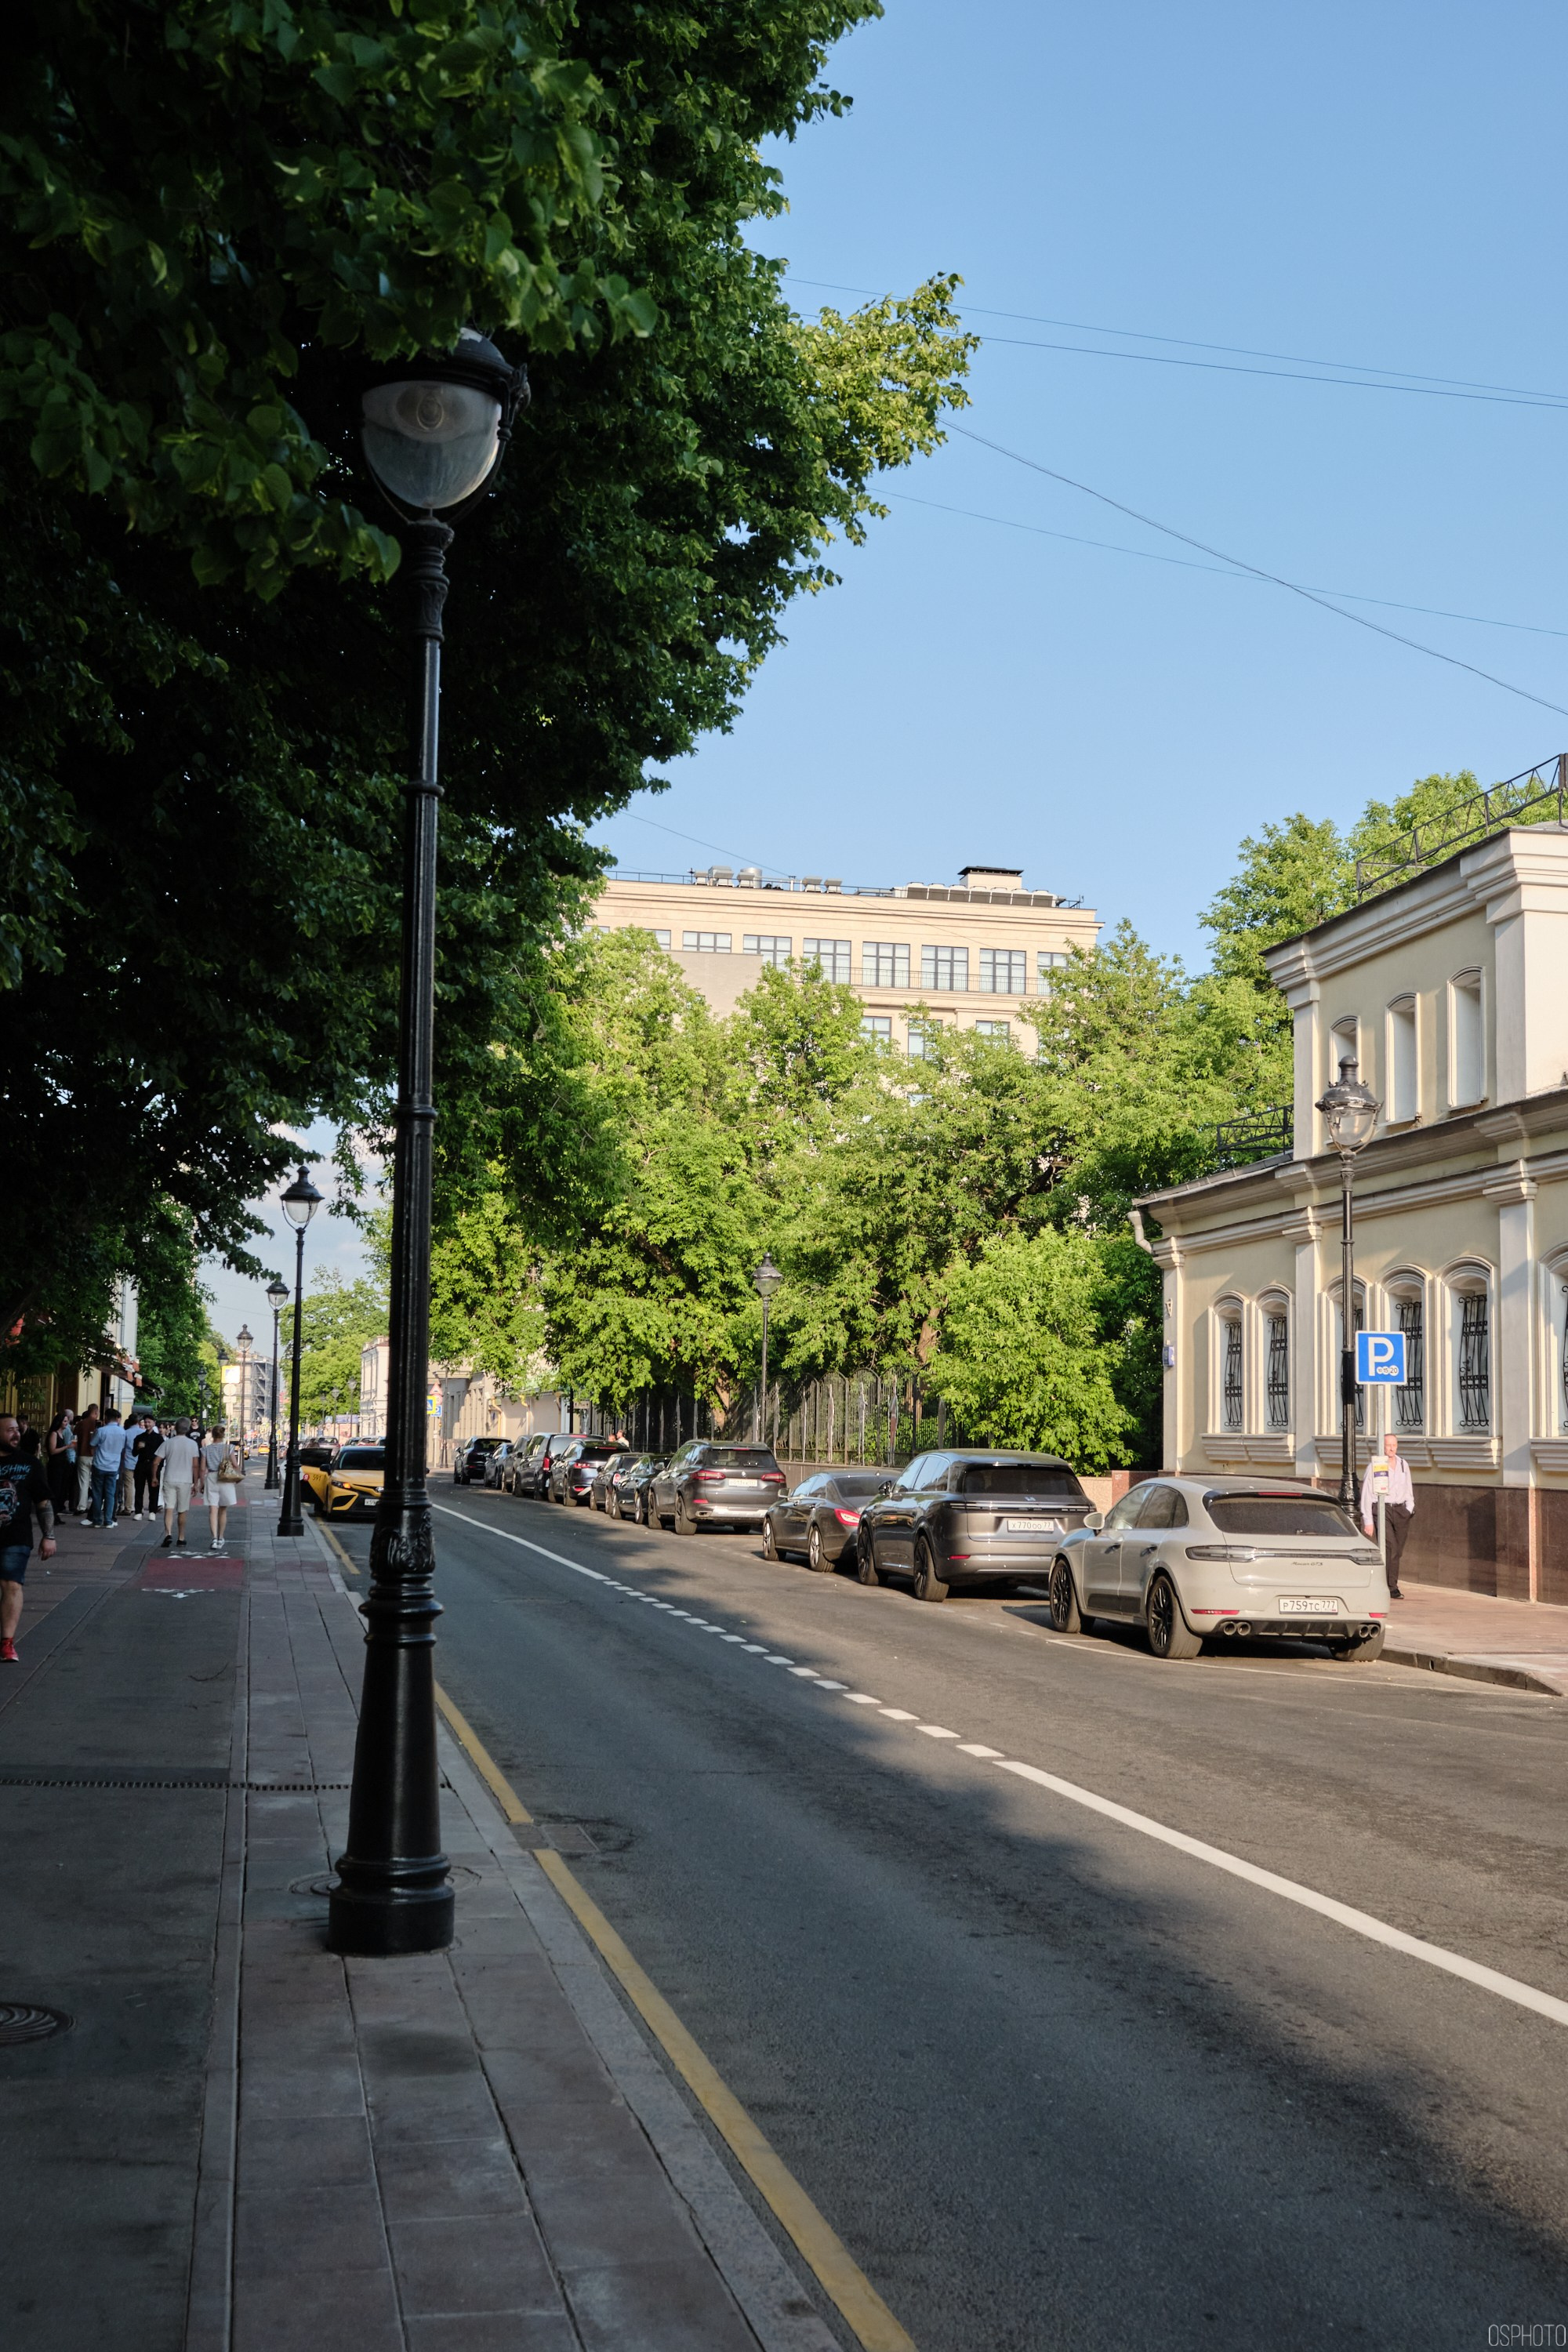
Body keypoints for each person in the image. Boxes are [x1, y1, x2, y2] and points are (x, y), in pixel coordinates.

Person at [0, 1410, 56, 1664]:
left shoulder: (30, 1463)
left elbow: (43, 1502)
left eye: (17, 1429)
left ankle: (7, 1643)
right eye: (9, 1429)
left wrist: (49, 1535)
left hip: (16, 1536)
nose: (16, 1433)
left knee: (12, 1585)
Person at [1361, 1430, 1415, 1599]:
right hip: (1383, 1509)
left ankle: (1388, 1582)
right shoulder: (1376, 1466)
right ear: (1382, 1447)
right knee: (1390, 1547)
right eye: (1388, 1445)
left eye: (1394, 1445)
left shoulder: (1402, 1464)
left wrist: (1409, 1507)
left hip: (1401, 1510)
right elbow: (1367, 1494)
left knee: (1398, 1550)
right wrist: (1368, 1520)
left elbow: (1408, 1487)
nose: (1391, 1449)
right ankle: (1391, 1587)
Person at [158, 1417, 202, 1551]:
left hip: (169, 1478)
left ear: (175, 1428)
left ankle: (168, 1534)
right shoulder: (192, 1444)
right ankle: (181, 1538)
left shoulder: (168, 1443)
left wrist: (155, 1476)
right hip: (185, 1480)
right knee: (182, 1510)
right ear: (188, 1429)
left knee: (169, 1508)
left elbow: (156, 1461)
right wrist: (196, 1483)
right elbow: (195, 1466)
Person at [201, 1421, 242, 1554]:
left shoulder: (206, 1449)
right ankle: (221, 1537)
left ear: (212, 1436)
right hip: (225, 1478)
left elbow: (202, 1468)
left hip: (212, 1477)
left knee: (213, 1510)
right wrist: (238, 1475)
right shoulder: (228, 1448)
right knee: (223, 1510)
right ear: (223, 1435)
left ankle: (213, 1538)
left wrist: (201, 1483)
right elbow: (235, 1465)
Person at [89, 1407, 133, 1530]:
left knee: (97, 1494)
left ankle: (97, 1520)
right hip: (114, 1466)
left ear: (106, 1418)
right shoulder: (122, 1432)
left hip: (99, 1464)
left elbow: (92, 1444)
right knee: (110, 1494)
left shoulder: (101, 1431)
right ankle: (108, 1520)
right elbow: (123, 1448)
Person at [132, 1416, 164, 1521]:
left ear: (154, 1423)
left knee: (154, 1489)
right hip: (141, 1464)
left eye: (149, 1422)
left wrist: (159, 1468)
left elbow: (162, 1455)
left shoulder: (159, 1438)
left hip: (153, 1465)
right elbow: (134, 1453)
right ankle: (138, 1511)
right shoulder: (139, 1437)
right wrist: (138, 1448)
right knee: (139, 1489)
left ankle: (152, 1511)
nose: (147, 1424)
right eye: (145, 1422)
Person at [45, 1410, 74, 1515]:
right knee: (55, 1489)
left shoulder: (61, 1434)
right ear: (59, 1422)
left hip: (62, 1464)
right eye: (65, 1421)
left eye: (67, 1421)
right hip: (55, 1465)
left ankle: (57, 1511)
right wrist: (67, 1447)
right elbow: (53, 1451)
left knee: (62, 1489)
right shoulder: (54, 1434)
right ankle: (53, 1512)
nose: (67, 1423)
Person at [74, 1403, 99, 1518]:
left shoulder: (81, 1424)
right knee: (95, 1482)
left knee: (83, 1482)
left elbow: (74, 1437)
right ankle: (97, 1505)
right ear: (96, 1412)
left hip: (82, 1454)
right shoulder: (97, 1424)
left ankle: (81, 1506)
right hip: (95, 1456)